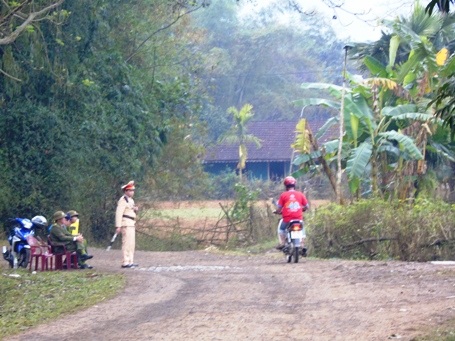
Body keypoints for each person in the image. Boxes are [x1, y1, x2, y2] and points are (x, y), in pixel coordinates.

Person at [274, 176, 309, 255]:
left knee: (281, 229)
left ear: (286, 186)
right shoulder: (300, 194)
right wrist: (303, 209)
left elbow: (279, 208)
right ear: (294, 185)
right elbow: (307, 206)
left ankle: (283, 243)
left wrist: (277, 212)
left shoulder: (283, 195)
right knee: (302, 229)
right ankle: (302, 244)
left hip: (287, 219)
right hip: (298, 219)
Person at [115, 180, 139, 268]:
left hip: (131, 223)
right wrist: (118, 225)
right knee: (126, 243)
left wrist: (135, 210)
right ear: (126, 191)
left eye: (132, 191)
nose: (132, 192)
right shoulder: (123, 200)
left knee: (131, 243)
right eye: (130, 190)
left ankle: (130, 261)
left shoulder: (131, 201)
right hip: (125, 223)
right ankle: (125, 261)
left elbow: (131, 211)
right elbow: (119, 213)